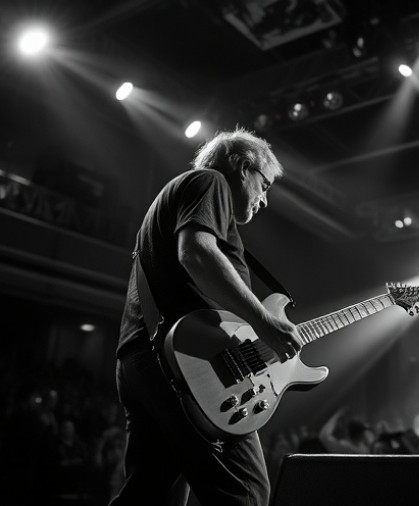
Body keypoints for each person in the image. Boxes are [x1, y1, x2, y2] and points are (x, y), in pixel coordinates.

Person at [110, 128, 302, 505]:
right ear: (242, 167)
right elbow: (196, 253)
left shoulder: (186, 195)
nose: (264, 199)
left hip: (145, 360)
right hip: (183, 366)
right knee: (245, 493)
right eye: (264, 185)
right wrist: (264, 321)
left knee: (150, 495)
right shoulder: (210, 182)